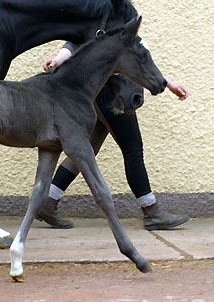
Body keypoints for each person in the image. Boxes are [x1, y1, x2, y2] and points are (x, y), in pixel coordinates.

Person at [36, 41, 189, 230]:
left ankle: (47, 203)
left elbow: (140, 59)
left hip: (109, 91)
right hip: (112, 93)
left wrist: (169, 83)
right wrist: (59, 59)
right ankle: (152, 212)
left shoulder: (121, 20)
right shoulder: (108, 19)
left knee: (86, 150)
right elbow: (76, 42)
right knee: (132, 150)